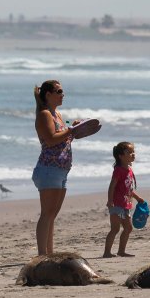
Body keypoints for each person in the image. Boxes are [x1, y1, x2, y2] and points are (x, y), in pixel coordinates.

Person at [32, 79, 85, 256]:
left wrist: (75, 129)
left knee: (52, 214)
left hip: (60, 170)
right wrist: (70, 130)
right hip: (49, 169)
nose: (63, 95)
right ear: (48, 94)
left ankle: (49, 252)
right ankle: (42, 254)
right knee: (47, 213)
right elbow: (51, 139)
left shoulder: (58, 114)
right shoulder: (45, 114)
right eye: (59, 91)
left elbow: (62, 136)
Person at [104, 141, 143, 257]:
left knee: (128, 228)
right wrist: (110, 200)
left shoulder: (129, 170)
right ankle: (107, 252)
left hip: (126, 204)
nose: (133, 154)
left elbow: (129, 188)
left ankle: (121, 251)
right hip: (116, 204)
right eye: (129, 152)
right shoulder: (119, 170)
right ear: (120, 156)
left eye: (133, 152)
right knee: (115, 228)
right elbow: (112, 186)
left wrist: (137, 197)